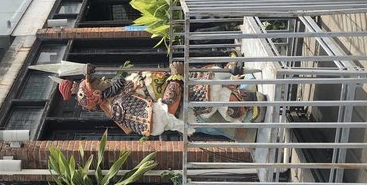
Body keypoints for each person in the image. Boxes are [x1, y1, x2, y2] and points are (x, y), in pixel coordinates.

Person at [57, 62, 264, 138]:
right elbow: (164, 115)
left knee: (212, 74)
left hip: (185, 87)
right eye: (96, 82)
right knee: (210, 88)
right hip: (185, 108)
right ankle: (244, 112)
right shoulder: (119, 107)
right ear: (96, 94)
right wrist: (176, 78)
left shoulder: (121, 87)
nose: (102, 79)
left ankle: (242, 93)